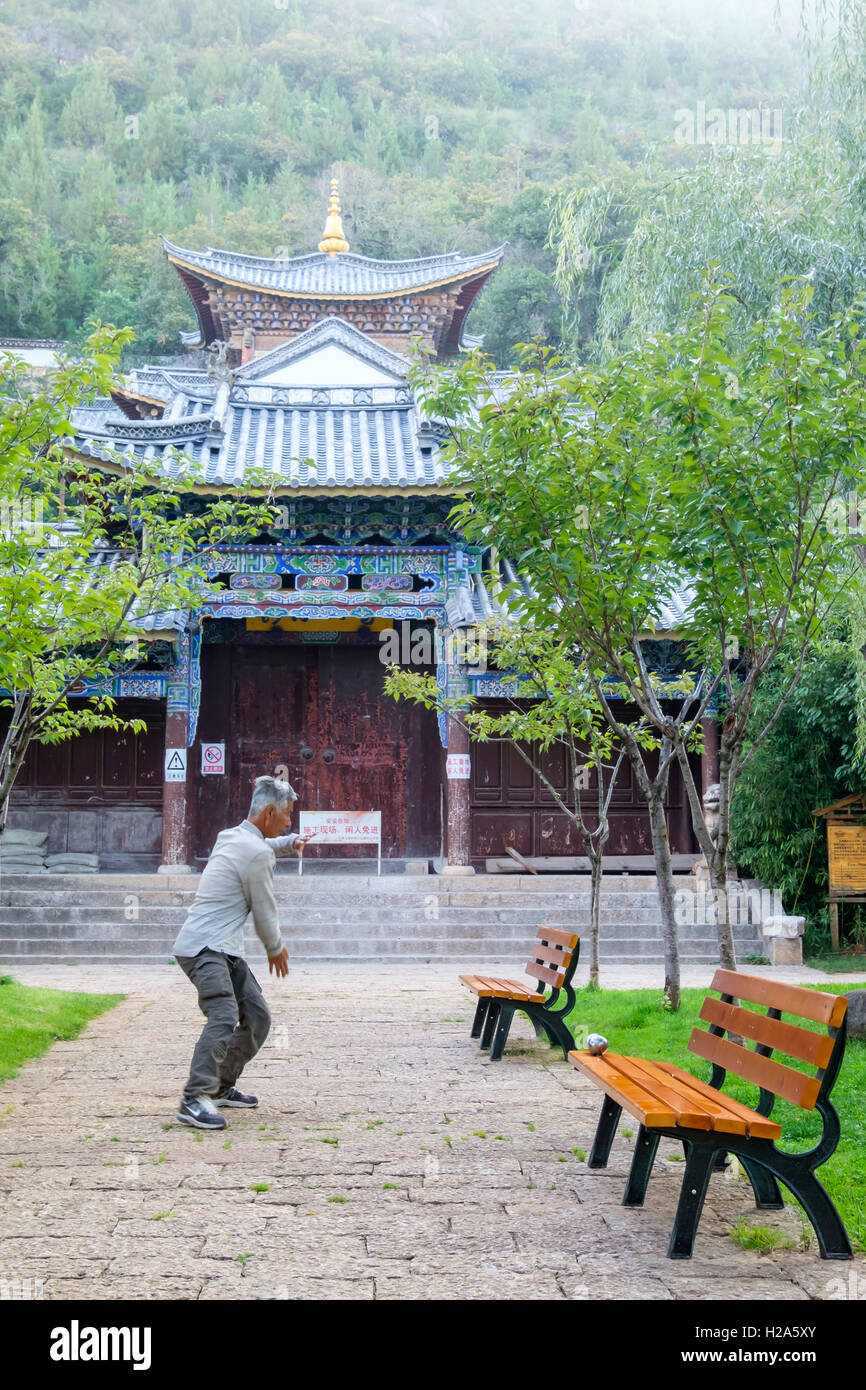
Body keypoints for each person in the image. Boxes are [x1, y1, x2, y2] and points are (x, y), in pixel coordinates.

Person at [172, 776, 313, 1130]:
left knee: (257, 1016)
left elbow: (260, 846)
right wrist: (275, 948)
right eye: (287, 816)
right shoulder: (255, 853)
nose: (289, 821)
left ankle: (220, 1086)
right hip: (205, 948)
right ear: (269, 811)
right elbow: (264, 909)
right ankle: (194, 1099)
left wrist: (289, 842)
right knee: (222, 1015)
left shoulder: (231, 835)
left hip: (223, 949)